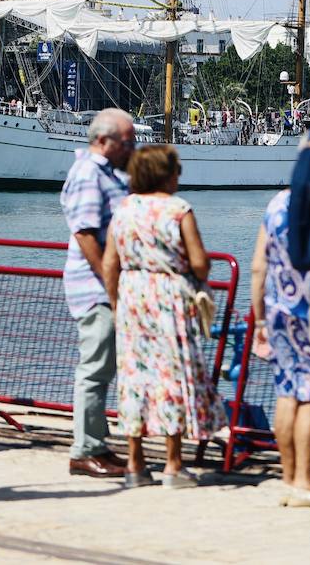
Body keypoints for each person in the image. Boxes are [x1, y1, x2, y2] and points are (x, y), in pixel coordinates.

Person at [103, 144, 225, 489]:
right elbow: (200, 262)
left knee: (134, 378)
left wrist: (117, 302)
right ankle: (173, 464)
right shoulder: (178, 210)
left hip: (132, 298)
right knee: (171, 376)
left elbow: (110, 262)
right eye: (176, 171)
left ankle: (134, 463)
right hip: (170, 298)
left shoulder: (124, 209)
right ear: (165, 175)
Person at [61, 109, 137, 480]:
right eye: (128, 142)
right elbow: (86, 233)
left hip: (105, 284)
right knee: (94, 367)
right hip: (97, 288)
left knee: (103, 366)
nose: (133, 147)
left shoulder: (107, 174)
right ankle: (85, 449)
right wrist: (111, 284)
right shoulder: (90, 174)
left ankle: (97, 443)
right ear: (104, 141)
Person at [250, 186, 310, 507]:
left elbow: (258, 266)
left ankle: (287, 476)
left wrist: (258, 319)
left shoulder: (278, 202)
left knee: (287, 392)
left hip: (279, 310)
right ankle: (304, 480)